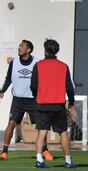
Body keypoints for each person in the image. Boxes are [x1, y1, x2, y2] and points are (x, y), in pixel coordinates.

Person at [0, 40, 53, 161]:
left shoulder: (37, 62)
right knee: (11, 124)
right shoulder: (14, 62)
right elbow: (8, 78)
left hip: (33, 100)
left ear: (28, 50)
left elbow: (43, 80)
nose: (19, 48)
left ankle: (45, 150)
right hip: (18, 100)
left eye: (22, 46)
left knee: (40, 127)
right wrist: (2, 91)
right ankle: (4, 151)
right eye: (19, 46)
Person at [30, 39, 75, 168]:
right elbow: (70, 88)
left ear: (45, 50)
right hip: (58, 106)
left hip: (42, 104)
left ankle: (39, 160)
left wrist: (37, 96)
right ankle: (68, 161)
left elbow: (33, 85)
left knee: (42, 132)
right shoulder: (63, 66)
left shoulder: (38, 65)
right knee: (63, 133)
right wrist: (71, 103)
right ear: (57, 51)